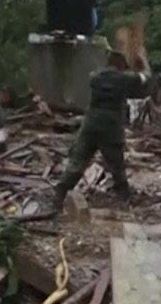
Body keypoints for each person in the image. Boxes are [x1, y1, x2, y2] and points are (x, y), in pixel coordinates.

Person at [51, 49, 149, 210]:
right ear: (120, 65)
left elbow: (96, 74)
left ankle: (59, 195)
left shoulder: (95, 77)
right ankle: (125, 198)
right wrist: (143, 61)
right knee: (116, 164)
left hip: (90, 123)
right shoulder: (123, 78)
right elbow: (145, 77)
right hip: (110, 125)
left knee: (77, 161)